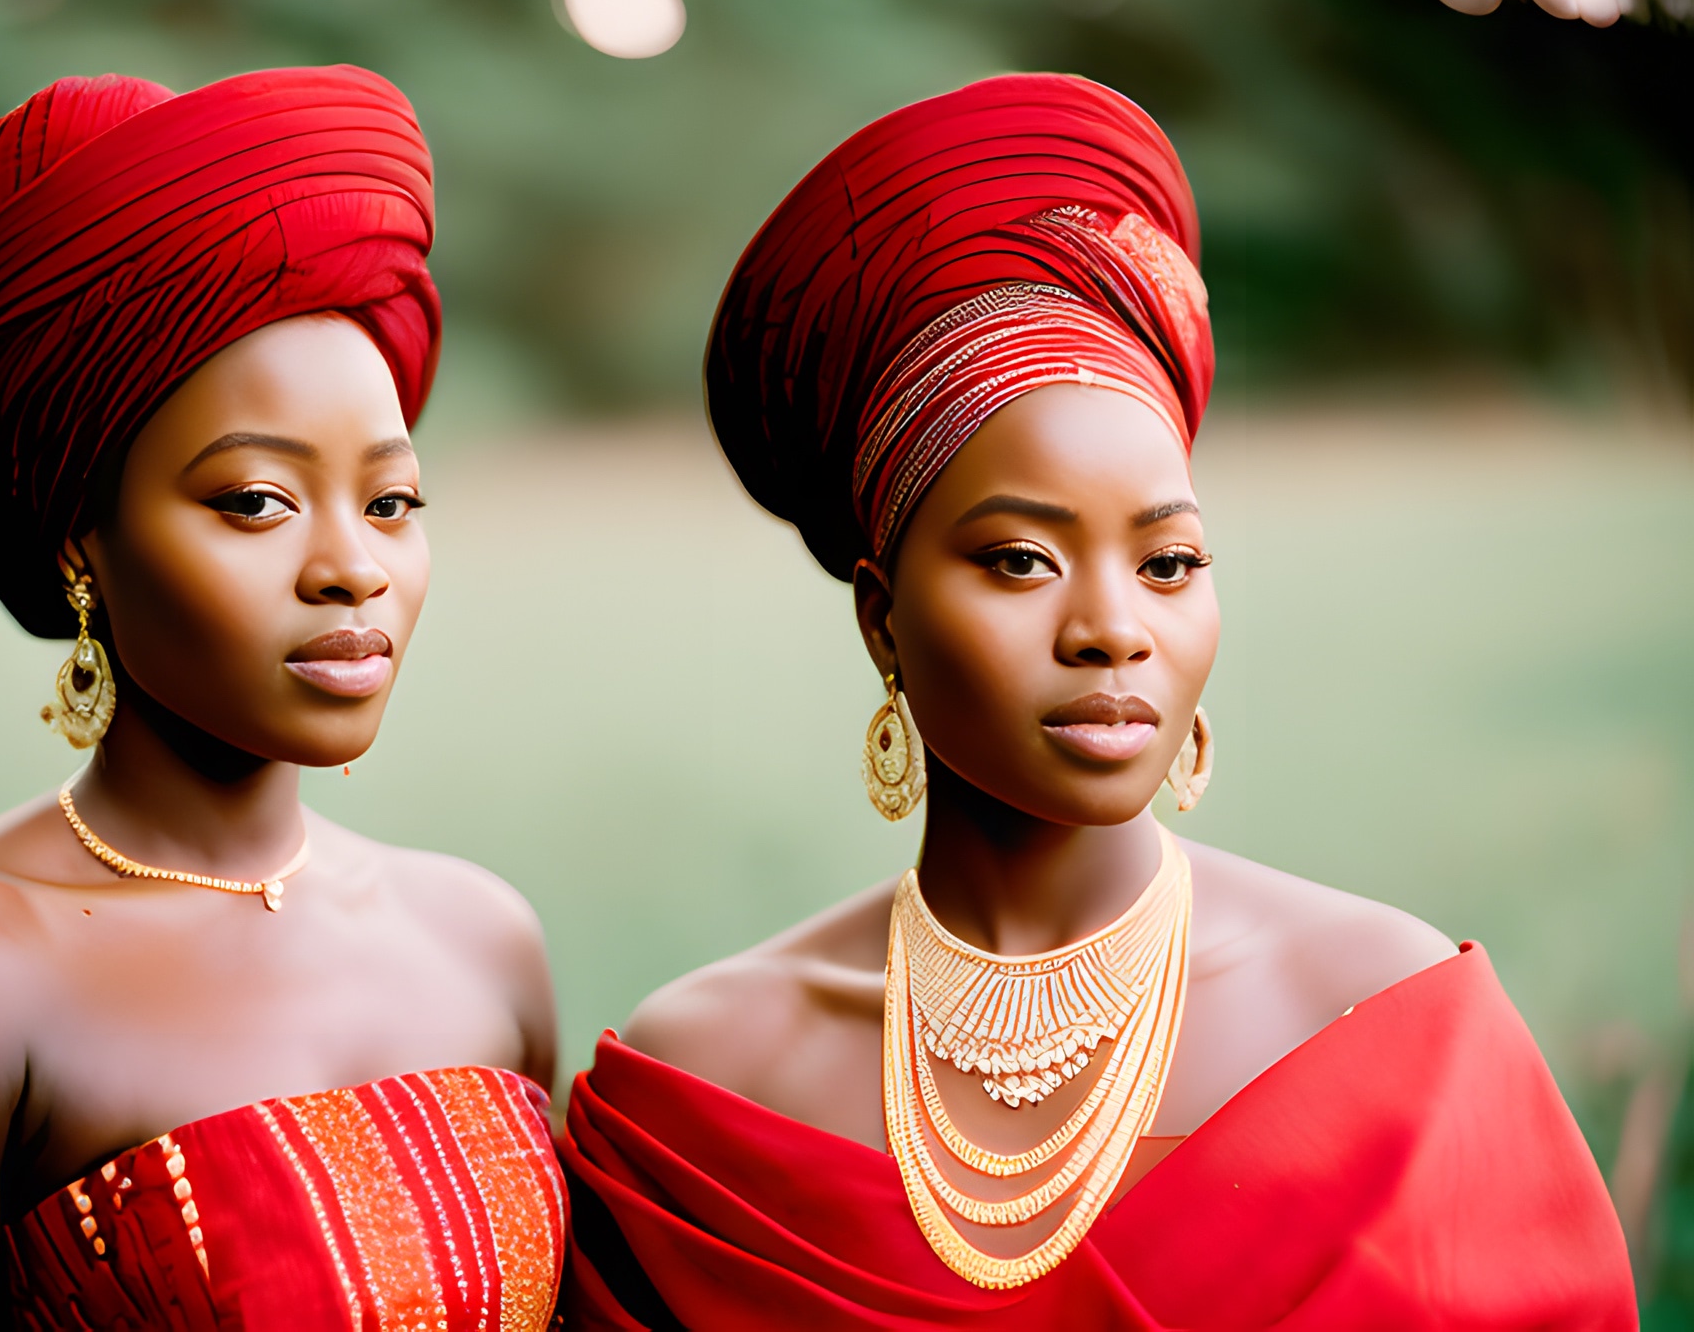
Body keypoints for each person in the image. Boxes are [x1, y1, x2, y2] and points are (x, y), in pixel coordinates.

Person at [558, 74, 1636, 1329]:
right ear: (878, 616)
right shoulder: (700, 1096)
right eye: (1018, 559)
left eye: (1167, 563)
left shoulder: (1390, 1028)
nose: (1112, 629)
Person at [0, 67, 565, 1331]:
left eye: (391, 501)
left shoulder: (483, 939)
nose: (353, 565)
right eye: (254, 500)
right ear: (80, 534)